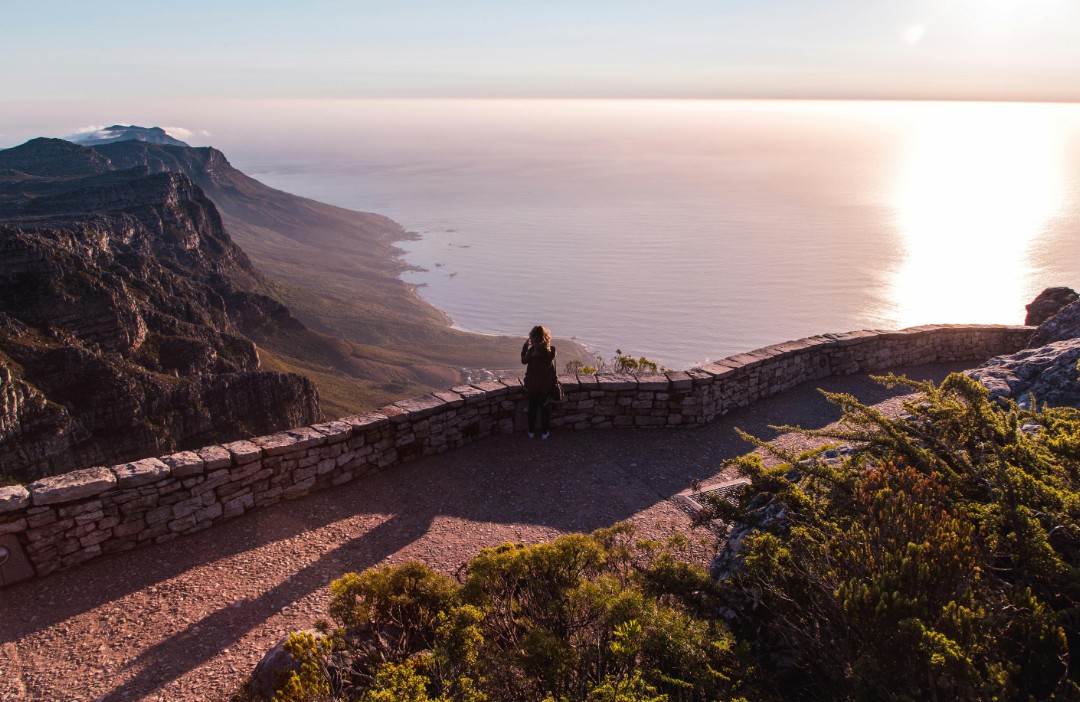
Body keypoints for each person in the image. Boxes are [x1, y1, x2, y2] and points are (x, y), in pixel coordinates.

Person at [521, 325, 557, 439]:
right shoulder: (551, 352)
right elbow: (552, 367)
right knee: (544, 409)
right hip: (546, 386)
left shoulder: (532, 351)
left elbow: (523, 361)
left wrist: (525, 347)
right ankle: (544, 433)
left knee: (532, 408)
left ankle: (531, 432)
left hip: (533, 385)